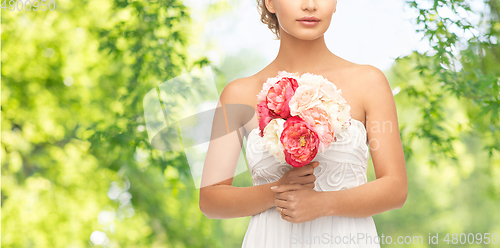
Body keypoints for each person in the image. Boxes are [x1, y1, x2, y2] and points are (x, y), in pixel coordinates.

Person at [199, 0, 408, 247]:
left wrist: (324, 204)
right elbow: (210, 200)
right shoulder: (238, 93)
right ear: (270, 3)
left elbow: (395, 188)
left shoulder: (370, 82)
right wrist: (277, 192)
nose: (310, 5)